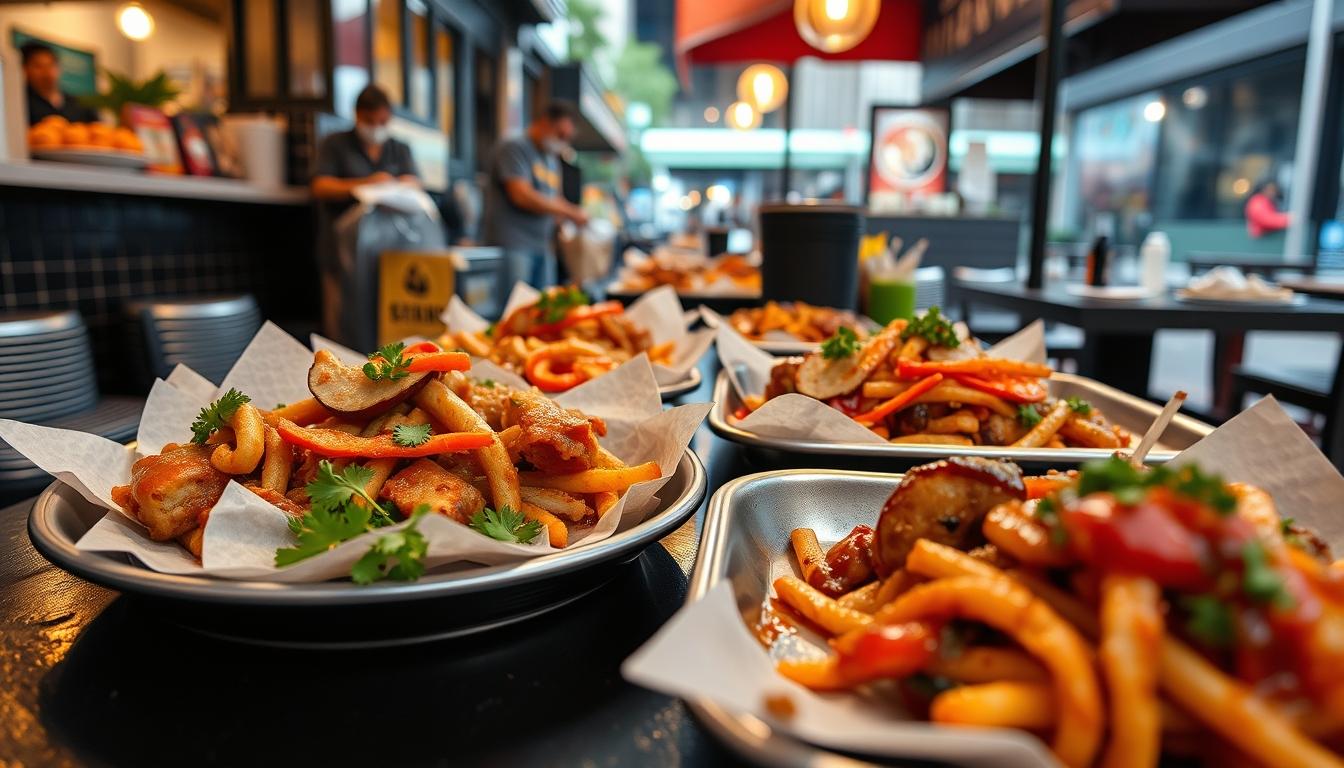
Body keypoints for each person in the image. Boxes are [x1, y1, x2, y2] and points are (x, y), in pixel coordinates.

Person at [311, 85, 420, 340]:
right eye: (369, 121)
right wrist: (364, 184)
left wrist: (394, 186)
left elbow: (415, 182)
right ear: (357, 116)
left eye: (382, 121)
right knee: (342, 321)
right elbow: (320, 186)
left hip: (388, 253)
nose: (376, 128)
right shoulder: (335, 144)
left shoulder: (398, 148)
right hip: (340, 248)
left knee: (382, 323)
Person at [483, 101, 588, 289]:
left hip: (543, 246)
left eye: (567, 137)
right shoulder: (514, 147)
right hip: (514, 245)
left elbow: (555, 200)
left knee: (543, 310)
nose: (563, 141)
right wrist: (570, 211)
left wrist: (569, 219)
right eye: (560, 134)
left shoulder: (551, 159)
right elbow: (521, 195)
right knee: (515, 308)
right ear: (545, 122)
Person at [21, 42, 98, 125]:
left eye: (51, 65)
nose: (47, 72)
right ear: (25, 70)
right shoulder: (22, 104)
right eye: (38, 66)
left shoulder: (80, 104)